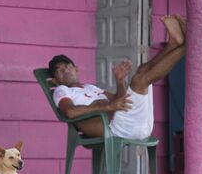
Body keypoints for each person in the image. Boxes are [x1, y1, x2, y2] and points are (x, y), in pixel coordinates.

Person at [49, 15, 186, 140]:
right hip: (117, 129)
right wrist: (108, 107)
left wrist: (120, 81)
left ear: (76, 69)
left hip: (132, 123)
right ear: (55, 80)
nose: (64, 70)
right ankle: (186, 46)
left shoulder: (90, 88)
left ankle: (173, 45)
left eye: (67, 66)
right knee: (139, 80)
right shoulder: (62, 90)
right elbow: (70, 112)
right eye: (58, 71)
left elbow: (118, 100)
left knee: (142, 69)